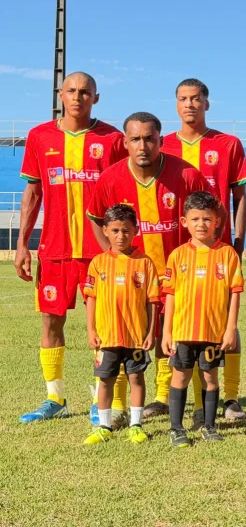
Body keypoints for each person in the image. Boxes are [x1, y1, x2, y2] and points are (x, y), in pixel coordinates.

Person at [16, 71, 127, 424]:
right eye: (71, 91)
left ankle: (106, 401)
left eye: (85, 92)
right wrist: (22, 243)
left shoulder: (113, 139)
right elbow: (33, 193)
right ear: (60, 94)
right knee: (51, 322)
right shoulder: (39, 137)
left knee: (109, 326)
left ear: (96, 97)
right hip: (55, 249)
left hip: (101, 252)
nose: (78, 97)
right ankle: (55, 398)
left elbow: (123, 194)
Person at [87, 112, 211, 422]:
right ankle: (116, 407)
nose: (143, 146)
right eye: (135, 139)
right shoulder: (110, 178)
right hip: (129, 281)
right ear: (124, 142)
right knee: (119, 338)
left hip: (179, 279)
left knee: (185, 339)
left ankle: (173, 400)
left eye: (149, 139)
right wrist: (113, 258)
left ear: (161, 140)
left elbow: (209, 216)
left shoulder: (187, 175)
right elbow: (96, 218)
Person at [162, 78, 246, 424]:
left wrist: (239, 241)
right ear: (176, 104)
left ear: (206, 103)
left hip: (219, 248)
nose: (190, 104)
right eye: (183, 98)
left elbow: (239, 197)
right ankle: (164, 395)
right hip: (176, 248)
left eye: (196, 98)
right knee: (177, 319)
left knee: (224, 320)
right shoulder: (163, 144)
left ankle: (231, 396)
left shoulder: (227, 144)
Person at [161, 191, 244, 447]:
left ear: (217, 221)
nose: (201, 224)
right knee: (180, 377)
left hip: (213, 332)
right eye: (195, 219)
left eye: (207, 219)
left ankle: (209, 426)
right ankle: (176, 428)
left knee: (210, 378)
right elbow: (170, 295)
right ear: (184, 221)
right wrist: (167, 332)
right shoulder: (177, 256)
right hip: (183, 331)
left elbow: (234, 294)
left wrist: (230, 329)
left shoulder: (227, 255)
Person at [82, 204, 160, 445]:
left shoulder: (145, 263)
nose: (120, 236)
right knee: (106, 380)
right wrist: (91, 330)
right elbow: (91, 298)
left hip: (136, 336)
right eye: (115, 230)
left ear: (135, 230)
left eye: (126, 230)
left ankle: (136, 425)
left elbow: (152, 301)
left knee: (136, 378)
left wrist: (151, 332)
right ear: (105, 230)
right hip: (107, 336)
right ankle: (104, 426)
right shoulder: (98, 263)